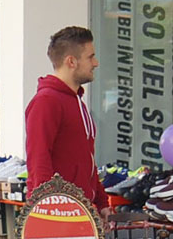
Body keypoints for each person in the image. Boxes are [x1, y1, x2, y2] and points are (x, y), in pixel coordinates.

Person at [24, 26, 109, 211]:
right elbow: (38, 161)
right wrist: (51, 210)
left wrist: (101, 202)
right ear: (71, 61)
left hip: (79, 212)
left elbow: (88, 161)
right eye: (90, 57)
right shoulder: (46, 102)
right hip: (58, 216)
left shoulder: (77, 102)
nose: (96, 63)